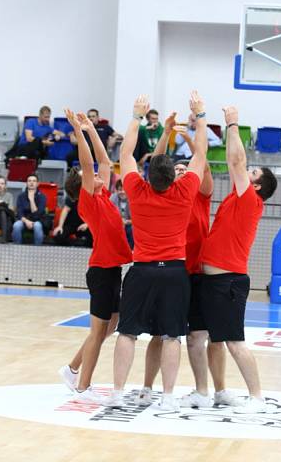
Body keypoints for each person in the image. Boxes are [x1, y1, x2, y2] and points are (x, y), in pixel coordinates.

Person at [105, 91, 206, 411]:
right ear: (174, 179)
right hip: (175, 272)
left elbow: (126, 152)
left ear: (148, 176)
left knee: (127, 333)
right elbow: (201, 154)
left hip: (141, 270)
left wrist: (136, 115)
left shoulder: (135, 189)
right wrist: (199, 117)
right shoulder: (185, 191)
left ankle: (118, 393)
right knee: (172, 336)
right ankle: (167, 398)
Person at [135, 112, 235, 409]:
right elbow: (157, 166)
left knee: (200, 337)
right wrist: (168, 135)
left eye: (184, 167)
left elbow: (200, 158)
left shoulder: (199, 192)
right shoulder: (165, 193)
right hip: (171, 270)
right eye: (176, 169)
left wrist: (190, 138)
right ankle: (146, 387)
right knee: (159, 335)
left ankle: (209, 390)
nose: (180, 170)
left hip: (197, 273)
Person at [198, 105, 278, 413]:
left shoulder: (251, 201)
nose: (247, 171)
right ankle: (219, 391)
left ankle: (257, 397)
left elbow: (236, 160)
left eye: (253, 173)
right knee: (212, 341)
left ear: (256, 186)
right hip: (210, 279)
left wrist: (232, 125)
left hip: (228, 281)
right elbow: (235, 166)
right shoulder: (236, 194)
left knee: (234, 342)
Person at [58, 109, 133, 401]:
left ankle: (72, 368)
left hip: (113, 268)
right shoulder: (88, 201)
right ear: (83, 185)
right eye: (85, 176)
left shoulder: (102, 194)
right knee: (98, 330)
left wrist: (90, 128)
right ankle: (82, 387)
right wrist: (78, 132)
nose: (95, 175)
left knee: (109, 327)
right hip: (101, 271)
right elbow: (88, 163)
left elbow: (103, 161)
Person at [51, 181, 93, 247]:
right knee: (58, 236)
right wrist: (60, 226)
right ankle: (71, 247)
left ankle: (85, 249)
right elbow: (65, 210)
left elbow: (95, 214)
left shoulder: (92, 197)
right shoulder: (73, 196)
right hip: (71, 224)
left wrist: (87, 224)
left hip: (85, 225)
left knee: (94, 238)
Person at [12, 174, 48, 245]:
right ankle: (17, 247)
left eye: (34, 181)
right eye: (29, 181)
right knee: (16, 225)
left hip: (38, 220)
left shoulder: (42, 197)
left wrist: (31, 200)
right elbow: (19, 212)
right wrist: (26, 221)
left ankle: (37, 248)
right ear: (26, 183)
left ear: (38, 184)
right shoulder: (21, 196)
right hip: (24, 220)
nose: (31, 183)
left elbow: (38, 214)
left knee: (37, 226)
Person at [110, 179, 133, 248]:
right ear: (116, 190)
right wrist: (119, 221)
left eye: (124, 189)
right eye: (120, 190)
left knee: (132, 230)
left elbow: (139, 219)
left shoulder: (133, 199)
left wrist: (127, 222)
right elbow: (109, 214)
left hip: (131, 224)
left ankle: (131, 250)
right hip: (117, 223)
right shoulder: (113, 198)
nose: (122, 192)